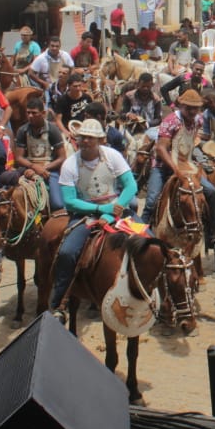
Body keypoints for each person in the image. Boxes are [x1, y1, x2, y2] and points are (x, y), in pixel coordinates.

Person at [47, 118, 139, 318]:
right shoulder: (70, 163)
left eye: (90, 138)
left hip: (117, 210)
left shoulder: (113, 156)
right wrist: (101, 210)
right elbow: (70, 202)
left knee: (148, 239)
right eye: (82, 138)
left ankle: (156, 293)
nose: (85, 141)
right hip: (85, 215)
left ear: (100, 140)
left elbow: (131, 186)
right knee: (67, 252)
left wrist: (112, 210)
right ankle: (59, 302)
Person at [142, 89, 215, 259]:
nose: (192, 111)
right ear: (181, 106)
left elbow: (193, 139)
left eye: (195, 108)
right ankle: (141, 235)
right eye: (189, 108)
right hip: (162, 166)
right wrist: (175, 169)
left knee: (210, 192)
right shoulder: (171, 121)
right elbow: (161, 148)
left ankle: (214, 236)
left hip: (186, 165)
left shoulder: (198, 120)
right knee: (152, 199)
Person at [1, 95, 67, 211]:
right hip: (29, 168)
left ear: (43, 113)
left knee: (57, 204)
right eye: (28, 113)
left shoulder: (52, 130)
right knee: (3, 179)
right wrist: (33, 167)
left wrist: (44, 168)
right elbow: (19, 157)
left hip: (49, 169)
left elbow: (62, 157)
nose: (30, 116)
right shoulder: (23, 130)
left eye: (34, 113)